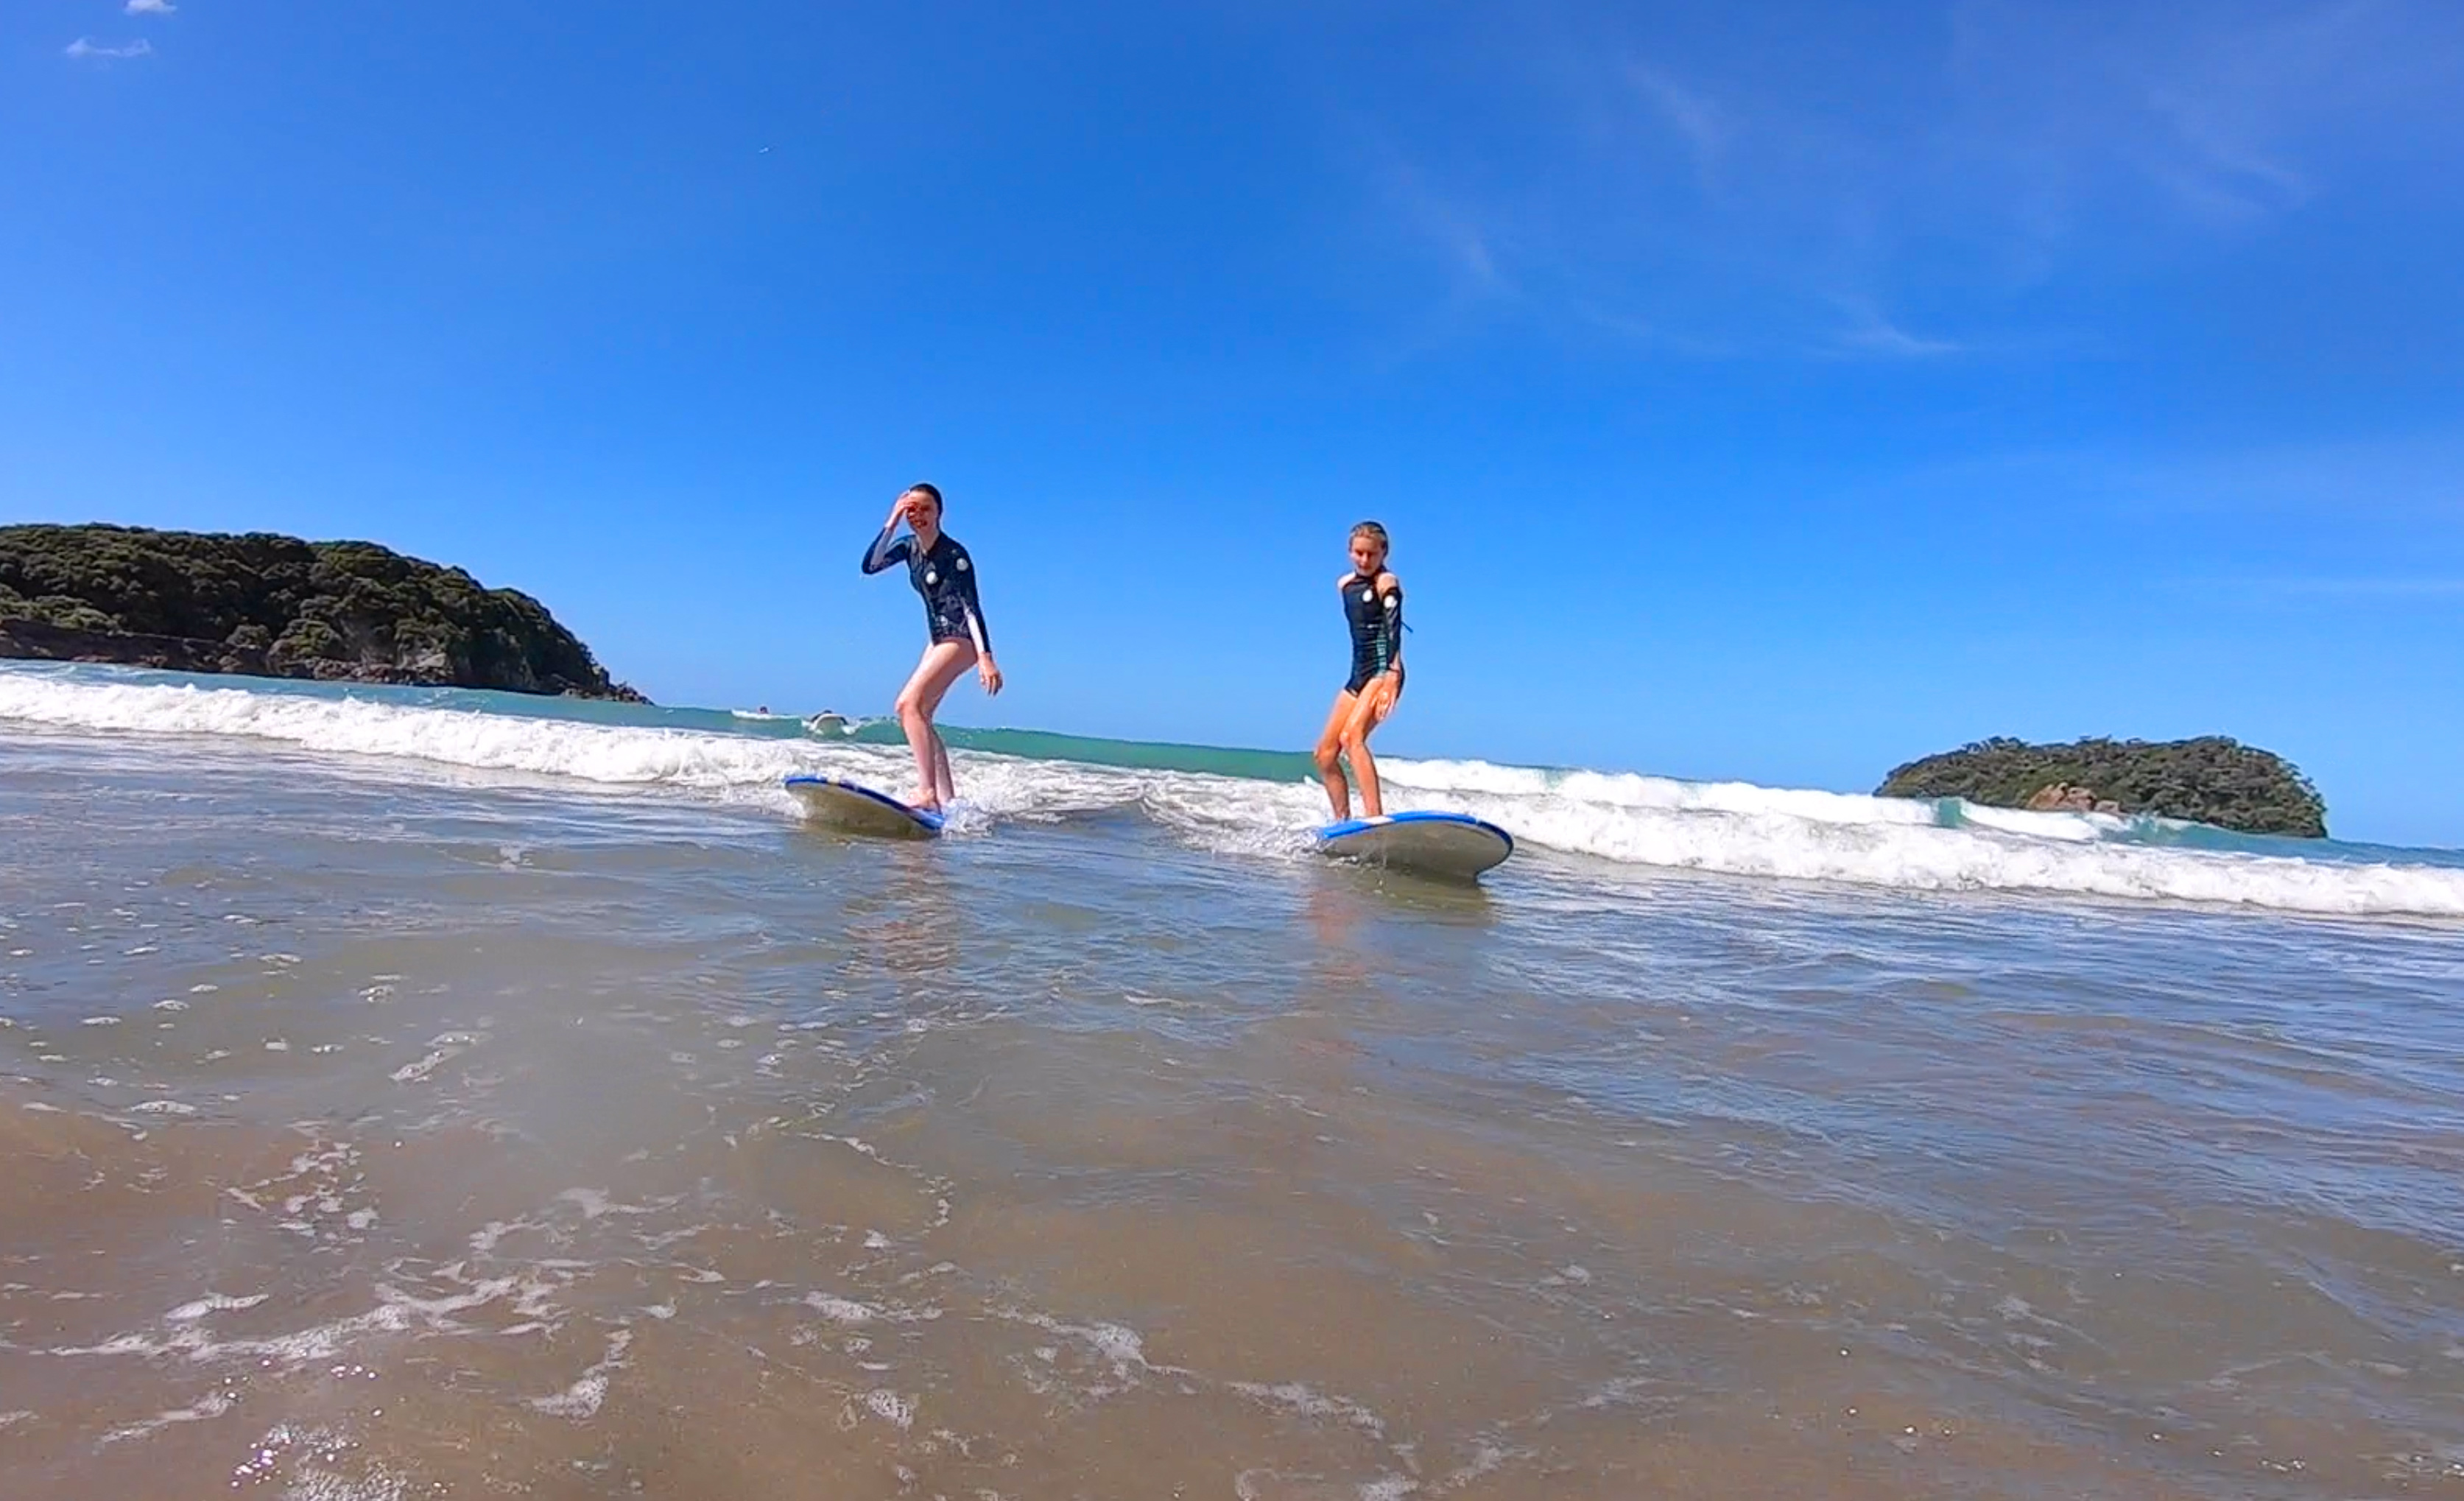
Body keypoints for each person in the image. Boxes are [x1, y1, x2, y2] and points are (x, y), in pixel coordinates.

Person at [860, 482, 1002, 811]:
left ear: (939, 512)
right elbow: (870, 566)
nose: (918, 516)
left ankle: (926, 794)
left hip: (961, 638)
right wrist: (892, 520)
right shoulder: (909, 549)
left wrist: (986, 657)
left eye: (925, 509)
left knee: (906, 705)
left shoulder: (955, 555)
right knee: (921, 715)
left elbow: (971, 607)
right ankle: (946, 799)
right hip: (938, 640)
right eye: (912, 510)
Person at [1312, 520, 1405, 821]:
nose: (1365, 560)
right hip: (1357, 676)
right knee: (1325, 754)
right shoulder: (1344, 585)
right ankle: (1343, 824)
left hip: (1383, 671)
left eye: (1371, 554)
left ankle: (1375, 819)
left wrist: (1392, 675)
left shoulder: (1386, 582)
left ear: (1384, 553)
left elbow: (1393, 626)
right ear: (1350, 552)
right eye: (1358, 554)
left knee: (1353, 737)